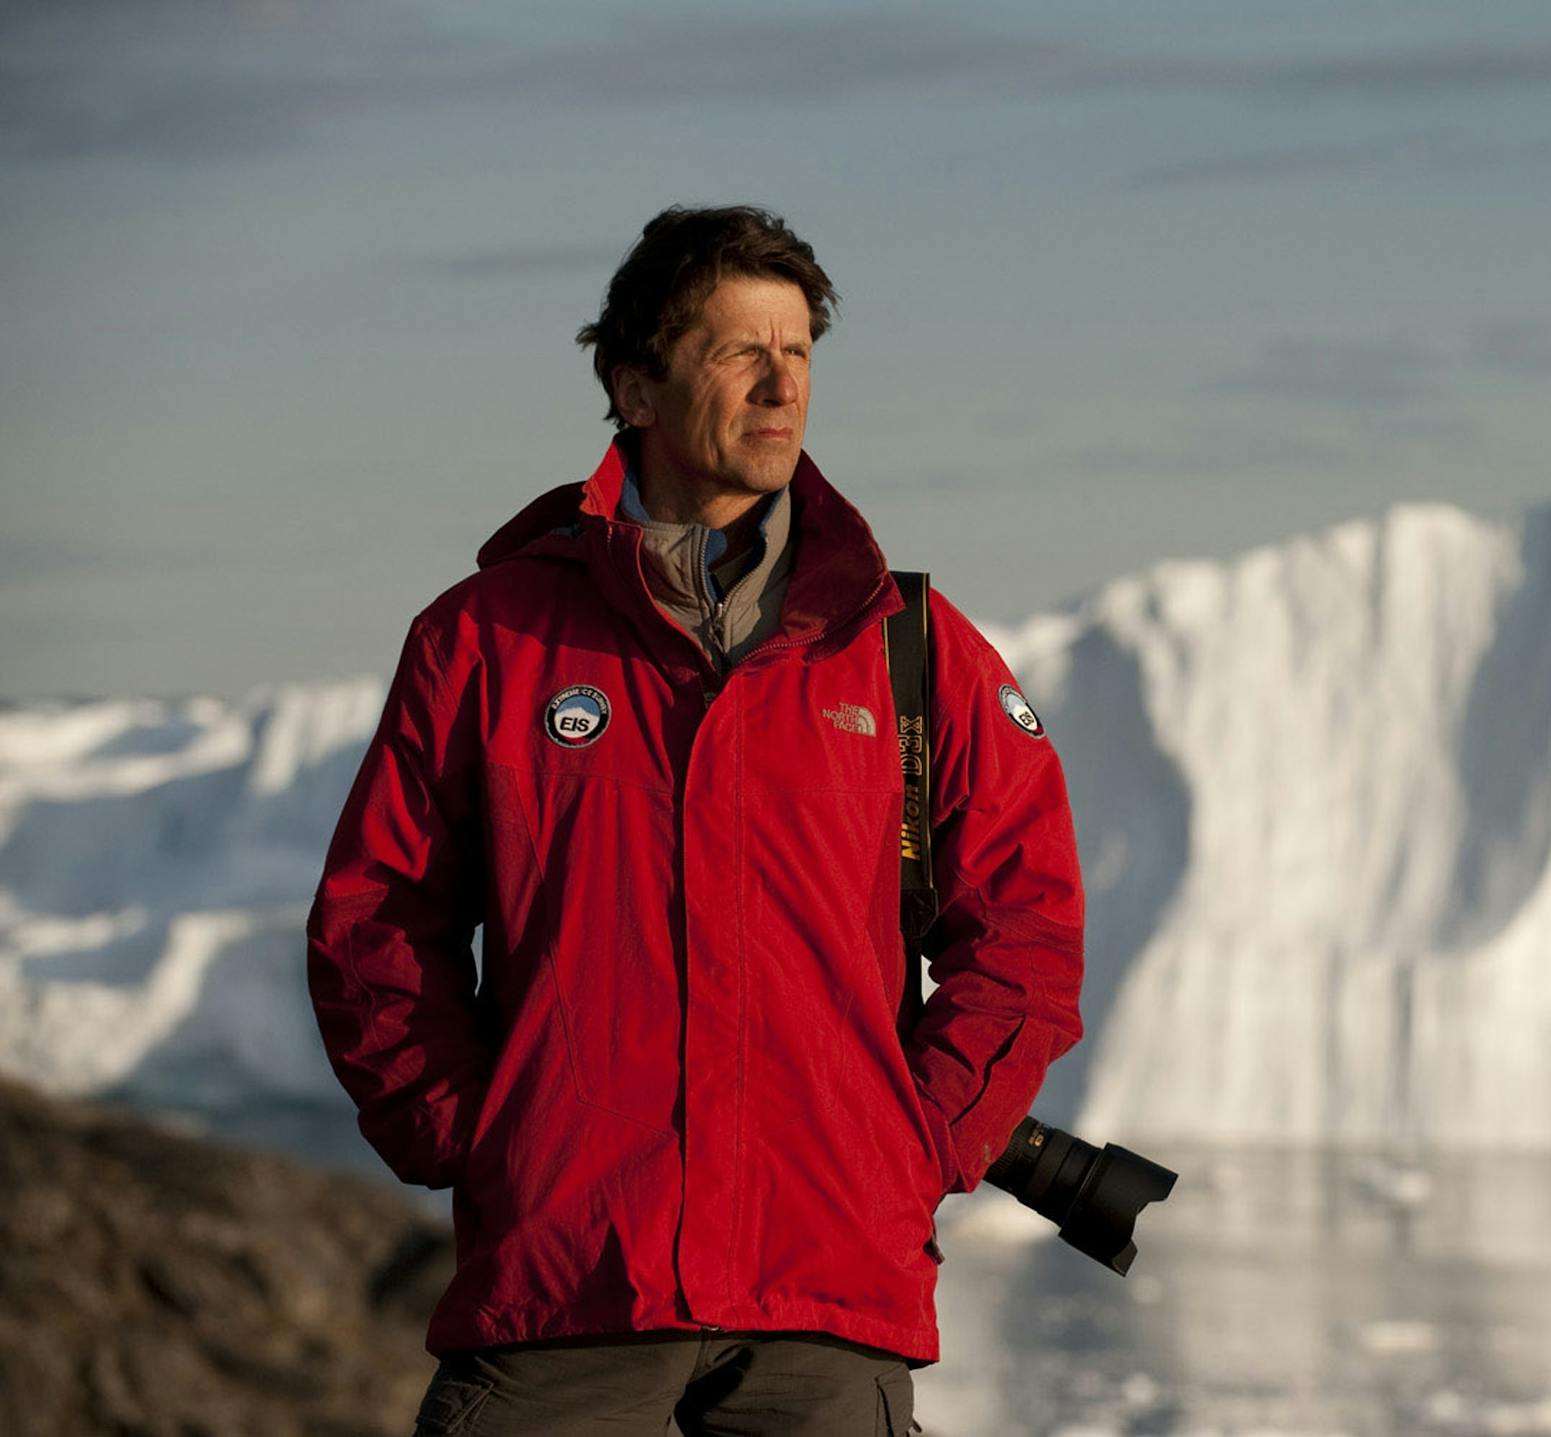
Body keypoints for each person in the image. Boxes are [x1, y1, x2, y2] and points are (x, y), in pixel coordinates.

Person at [307, 205, 1086, 1435]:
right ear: (635, 386)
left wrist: (912, 1145)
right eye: (740, 352)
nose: (784, 386)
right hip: (569, 1288)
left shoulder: (909, 651)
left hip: (826, 1305)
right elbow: (377, 916)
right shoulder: (487, 639)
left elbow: (1027, 933)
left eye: (801, 353)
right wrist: (471, 1132)